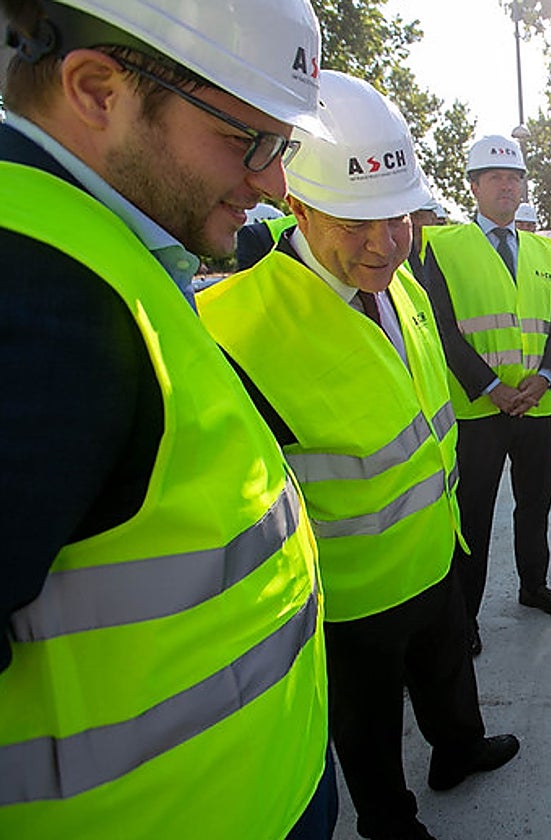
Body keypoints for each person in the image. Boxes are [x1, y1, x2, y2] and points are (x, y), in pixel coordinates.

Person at [0, 0, 335, 836]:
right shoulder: (32, 294)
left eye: (281, 145)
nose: (274, 183)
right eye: (245, 140)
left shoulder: (103, 251)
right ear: (97, 89)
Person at [198, 71, 519, 840]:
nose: (384, 243)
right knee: (368, 728)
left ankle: (458, 750)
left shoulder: (397, 281)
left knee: (448, 681)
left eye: (398, 218)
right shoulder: (235, 326)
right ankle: (391, 820)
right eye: (355, 222)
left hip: (436, 553)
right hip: (349, 599)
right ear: (298, 206)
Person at [419, 134, 551, 657]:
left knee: (536, 505)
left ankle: (534, 586)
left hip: (536, 405)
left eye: (514, 178)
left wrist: (547, 377)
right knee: (475, 516)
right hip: (478, 410)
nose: (507, 187)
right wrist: (492, 387)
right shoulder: (442, 247)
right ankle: (466, 616)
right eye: (495, 178)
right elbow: (441, 329)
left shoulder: (543, 250)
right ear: (474, 186)